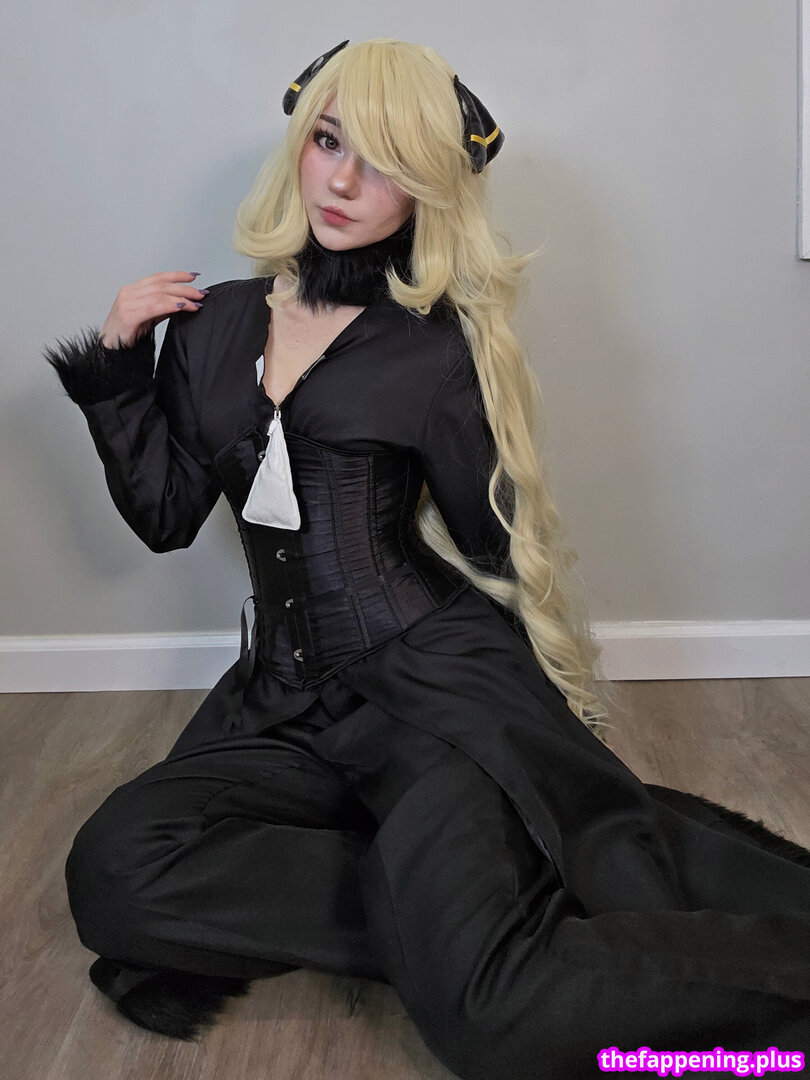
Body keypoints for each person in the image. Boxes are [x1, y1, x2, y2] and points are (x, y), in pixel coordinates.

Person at [44, 38, 810, 1079]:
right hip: (280, 704)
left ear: (428, 191)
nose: (343, 182)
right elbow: (168, 515)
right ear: (299, 144)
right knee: (116, 874)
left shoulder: (434, 349)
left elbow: (495, 544)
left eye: (387, 163)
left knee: (492, 1020)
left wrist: (541, 720)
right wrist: (118, 370)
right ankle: (442, 917)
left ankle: (714, 958)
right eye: (328, 141)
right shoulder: (213, 327)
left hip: (433, 700)